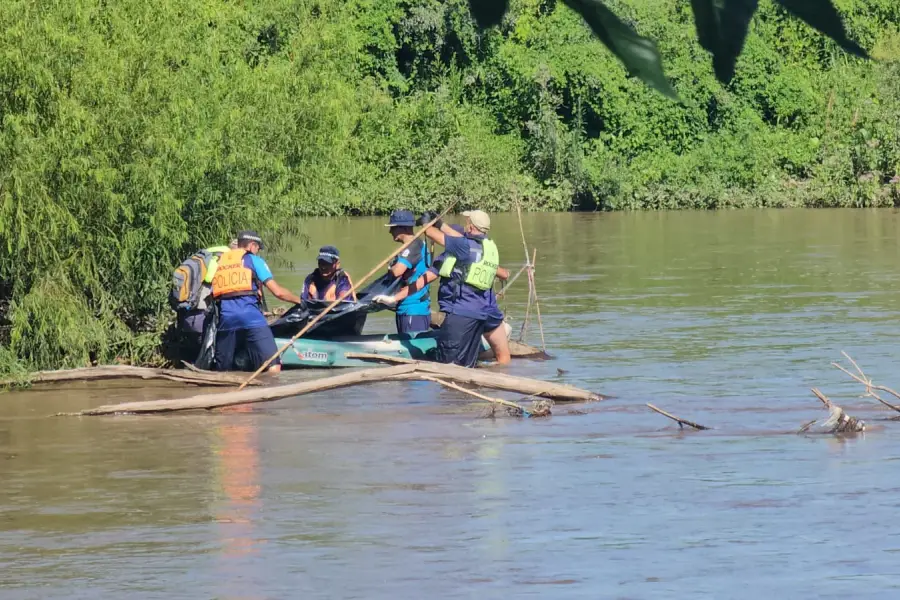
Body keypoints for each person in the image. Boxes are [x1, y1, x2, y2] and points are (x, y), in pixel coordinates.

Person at [375, 211, 506, 367]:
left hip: (460, 314)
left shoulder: (464, 247)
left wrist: (426, 223)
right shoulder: (485, 247)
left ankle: (450, 390)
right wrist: (394, 298)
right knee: (467, 364)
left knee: (450, 364)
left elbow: (431, 234)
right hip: (479, 314)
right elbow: (423, 280)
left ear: (470, 227)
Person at [211, 230, 301, 373]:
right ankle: (268, 392)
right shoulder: (254, 260)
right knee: (273, 365)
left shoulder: (219, 262)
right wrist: (300, 300)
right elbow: (278, 292)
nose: (258, 251)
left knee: (223, 370)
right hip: (251, 317)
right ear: (252, 245)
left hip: (226, 319)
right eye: (258, 248)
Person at [383, 209, 431, 335]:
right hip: (404, 308)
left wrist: (390, 268)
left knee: (412, 351)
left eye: (393, 228)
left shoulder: (414, 246)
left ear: (403, 228)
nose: (390, 231)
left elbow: (397, 271)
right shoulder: (410, 246)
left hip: (413, 309)